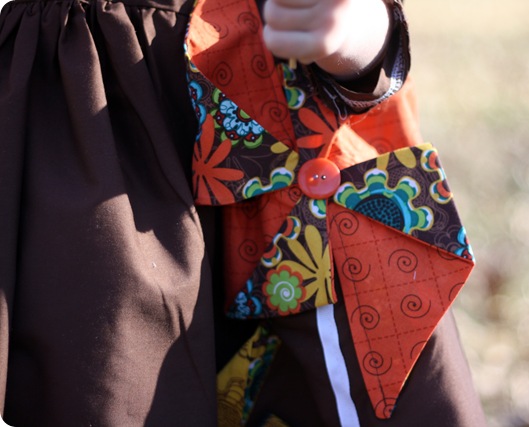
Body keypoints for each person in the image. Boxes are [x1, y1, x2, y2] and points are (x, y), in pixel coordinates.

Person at [0, 0, 485, 425]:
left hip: (293, 158)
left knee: (362, 379)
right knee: (118, 375)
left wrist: (353, 29)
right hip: (85, 142)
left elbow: (368, 36)